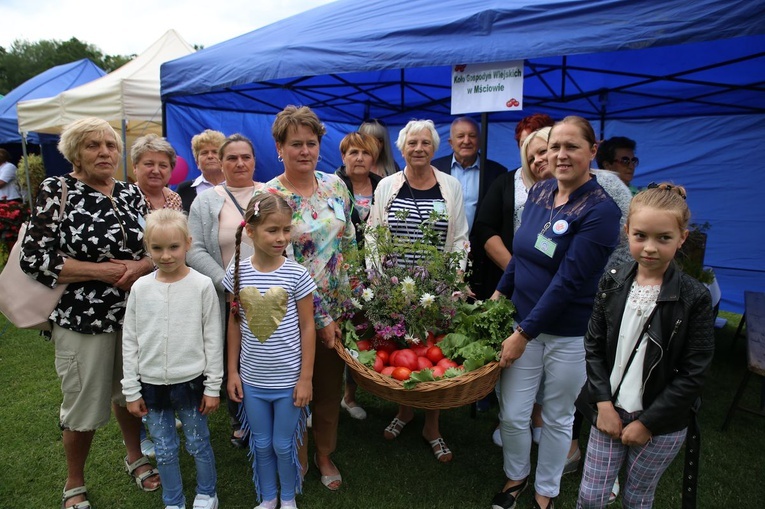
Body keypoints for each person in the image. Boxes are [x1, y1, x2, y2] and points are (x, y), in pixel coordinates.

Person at [20, 117, 159, 509]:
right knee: (83, 402)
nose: (104, 152)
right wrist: (105, 271)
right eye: (93, 145)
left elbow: (156, 246)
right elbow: (35, 257)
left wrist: (141, 267)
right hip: (83, 319)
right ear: (75, 153)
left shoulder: (132, 193)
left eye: (110, 145)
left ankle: (136, 457)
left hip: (134, 316)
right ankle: (74, 482)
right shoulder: (57, 189)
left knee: (129, 391)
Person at [491, 116, 621, 509]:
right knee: (513, 413)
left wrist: (523, 334)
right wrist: (500, 292)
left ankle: (545, 491)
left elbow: (568, 281)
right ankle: (516, 475)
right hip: (522, 323)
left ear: (592, 151)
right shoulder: (542, 191)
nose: (559, 155)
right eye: (553, 147)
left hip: (567, 333)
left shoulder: (602, 211)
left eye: (571, 147)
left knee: (558, 416)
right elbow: (523, 254)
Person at [576, 183, 715, 508]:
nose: (650, 247)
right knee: (590, 497)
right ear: (627, 232)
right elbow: (594, 346)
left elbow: (694, 373)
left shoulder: (694, 297)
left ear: (682, 238)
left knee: (638, 497)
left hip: (660, 423)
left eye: (663, 238)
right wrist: (603, 406)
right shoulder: (611, 280)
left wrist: (648, 422)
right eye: (641, 236)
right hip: (608, 411)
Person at [263, 105, 356, 491]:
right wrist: (319, 318)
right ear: (280, 147)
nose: (305, 151)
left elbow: (348, 241)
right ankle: (296, 452)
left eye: (312, 143)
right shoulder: (269, 196)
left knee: (330, 388)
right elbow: (277, 261)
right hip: (291, 312)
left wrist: (356, 299)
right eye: (295, 144)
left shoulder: (336, 186)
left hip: (340, 305)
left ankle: (324, 452)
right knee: (297, 389)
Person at [368, 119, 469, 463]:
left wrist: (451, 284)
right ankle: (405, 410)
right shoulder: (386, 186)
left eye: (426, 143)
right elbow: (372, 234)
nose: (419, 148)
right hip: (396, 288)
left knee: (432, 354)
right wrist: (380, 280)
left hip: (436, 289)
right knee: (404, 352)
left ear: (435, 148)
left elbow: (459, 238)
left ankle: (432, 424)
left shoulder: (450, 186)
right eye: (412, 143)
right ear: (401, 148)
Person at [121, 209, 222, 509]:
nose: (166, 256)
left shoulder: (202, 285)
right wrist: (131, 390)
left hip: (191, 383)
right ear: (147, 247)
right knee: (163, 448)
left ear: (188, 243)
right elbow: (130, 341)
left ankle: (207, 493)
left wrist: (213, 387)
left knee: (197, 442)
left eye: (173, 247)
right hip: (150, 384)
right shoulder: (140, 288)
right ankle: (173, 500)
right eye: (157, 248)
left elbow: (212, 340)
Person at [224, 193, 317, 509]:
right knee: (261, 443)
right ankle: (268, 498)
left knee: (282, 443)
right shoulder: (236, 271)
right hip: (252, 381)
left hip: (289, 382)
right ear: (250, 230)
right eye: (272, 230)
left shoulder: (296, 274)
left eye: (286, 230)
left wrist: (305, 379)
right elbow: (234, 324)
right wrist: (233, 372)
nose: (281, 238)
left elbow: (308, 327)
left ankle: (288, 498)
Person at [188, 133, 264, 448]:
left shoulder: (270, 192)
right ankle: (240, 419)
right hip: (226, 296)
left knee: (265, 351)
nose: (239, 163)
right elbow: (194, 249)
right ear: (221, 163)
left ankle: (270, 413)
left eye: (245, 156)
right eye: (231, 158)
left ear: (254, 160)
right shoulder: (206, 200)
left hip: (268, 293)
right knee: (231, 355)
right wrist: (225, 281)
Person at [335, 131, 383, 420]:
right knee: (337, 334)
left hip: (378, 275)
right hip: (341, 273)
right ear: (343, 157)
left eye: (365, 153)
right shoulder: (331, 185)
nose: (359, 158)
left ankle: (349, 397)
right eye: (353, 152)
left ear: (373, 158)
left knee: (363, 334)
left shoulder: (385, 186)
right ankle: (322, 396)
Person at [431, 116, 508, 234]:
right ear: (451, 143)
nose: (466, 141)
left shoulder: (497, 173)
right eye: (460, 136)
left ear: (480, 141)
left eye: (472, 136)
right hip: (443, 244)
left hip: (482, 247)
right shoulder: (434, 169)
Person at [177, 129, 226, 212]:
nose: (210, 156)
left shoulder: (236, 186)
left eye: (215, 152)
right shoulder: (184, 190)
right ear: (197, 162)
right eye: (204, 153)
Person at [131, 134, 183, 212]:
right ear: (135, 167)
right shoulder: (126, 198)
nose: (156, 171)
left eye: (163, 165)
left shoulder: (174, 199)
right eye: (149, 164)